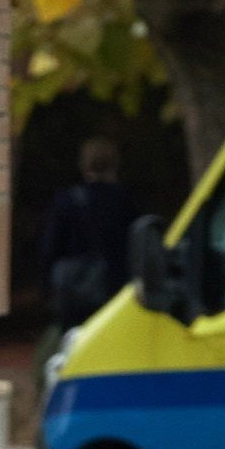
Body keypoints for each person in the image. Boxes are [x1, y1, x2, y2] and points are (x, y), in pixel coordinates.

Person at [38, 138, 142, 328]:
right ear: (114, 164)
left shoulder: (67, 201)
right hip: (115, 289)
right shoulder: (125, 201)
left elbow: (50, 249)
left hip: (74, 293)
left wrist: (47, 289)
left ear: (83, 164)